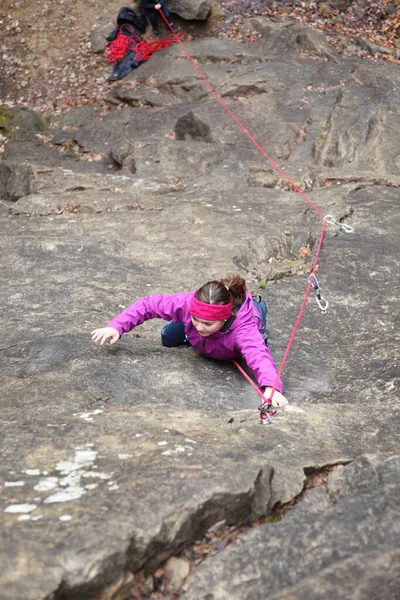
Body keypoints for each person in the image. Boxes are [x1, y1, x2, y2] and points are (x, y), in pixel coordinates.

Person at [91, 274, 288, 407]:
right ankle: (196, 333)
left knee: (258, 327)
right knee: (168, 337)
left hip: (241, 329)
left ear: (225, 317)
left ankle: (258, 305)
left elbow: (259, 356)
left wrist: (271, 388)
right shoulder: (187, 303)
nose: (201, 326)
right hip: (201, 339)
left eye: (208, 324)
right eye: (196, 320)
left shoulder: (244, 331)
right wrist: (116, 326)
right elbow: (148, 305)